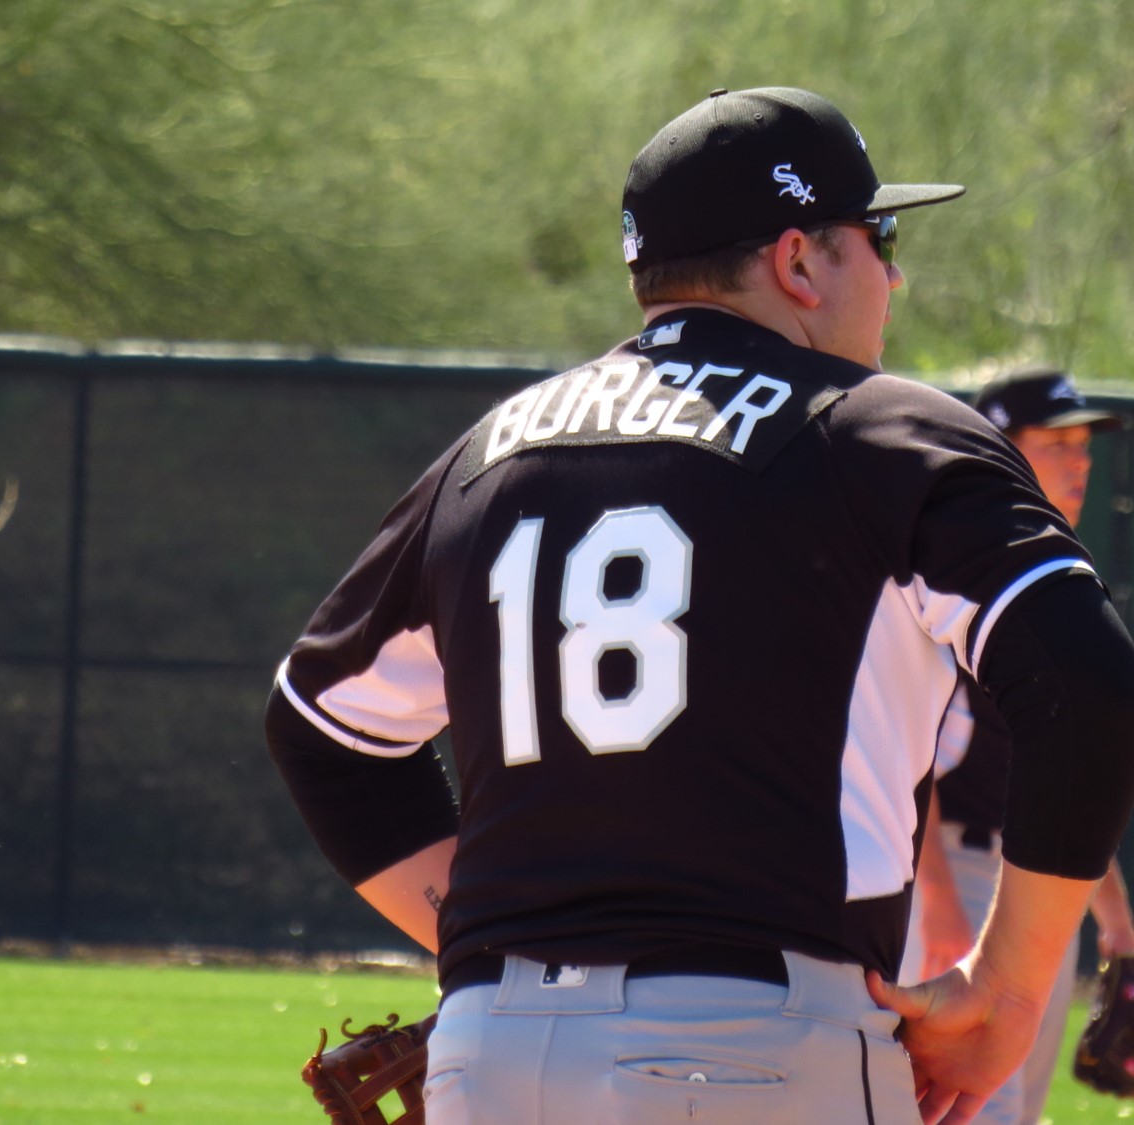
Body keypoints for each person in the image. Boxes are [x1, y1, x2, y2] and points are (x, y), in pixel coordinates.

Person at [265, 86, 1134, 1125]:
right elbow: (1085, 684)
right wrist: (1004, 993)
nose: (893, 274)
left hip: (490, 1057)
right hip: (757, 1048)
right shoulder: (878, 431)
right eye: (878, 235)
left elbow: (319, 729)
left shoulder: (487, 453)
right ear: (797, 261)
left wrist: (495, 939)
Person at [901, 366, 1134, 1124]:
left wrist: (1117, 917)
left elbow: (1063, 774)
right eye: (1058, 442)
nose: (1081, 460)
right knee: (974, 1106)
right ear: (999, 448)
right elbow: (912, 755)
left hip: (1032, 878)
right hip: (957, 876)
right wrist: (935, 898)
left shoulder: (1051, 567)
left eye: (1085, 444)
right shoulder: (954, 569)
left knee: (1013, 1112)